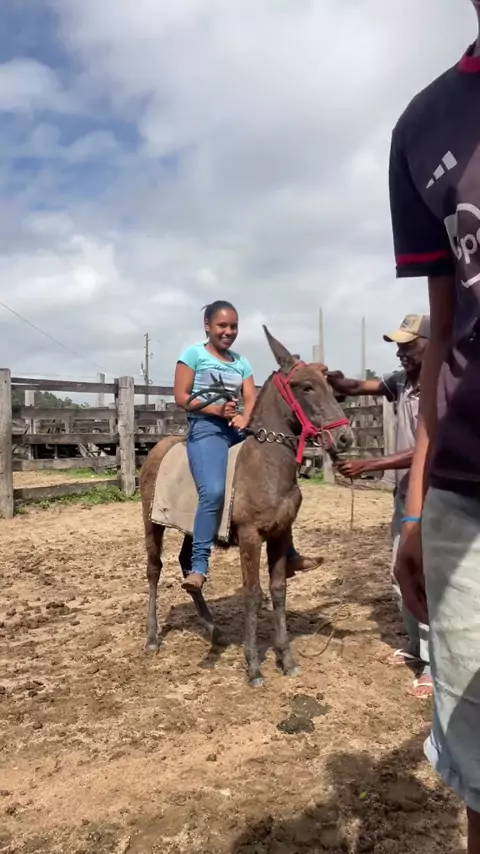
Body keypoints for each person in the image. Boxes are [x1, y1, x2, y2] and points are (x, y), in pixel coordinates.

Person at [389, 7, 480, 849]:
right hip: (463, 483)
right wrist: (416, 507)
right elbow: (444, 337)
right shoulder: (422, 127)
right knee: (215, 469)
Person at [174, 300, 321, 593]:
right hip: (206, 429)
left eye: (233, 326)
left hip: (235, 429)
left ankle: (289, 554)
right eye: (222, 325)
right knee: (213, 490)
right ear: (207, 326)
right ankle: (199, 566)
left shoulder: (242, 362)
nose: (228, 331)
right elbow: (181, 395)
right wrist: (215, 410)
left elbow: (250, 397)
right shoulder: (193, 354)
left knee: (278, 486)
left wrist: (244, 417)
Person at [326, 315, 432, 698]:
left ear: (431, 344)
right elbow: (356, 386)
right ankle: (418, 648)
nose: (401, 352)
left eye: (409, 345)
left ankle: (436, 664)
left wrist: (370, 464)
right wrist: (332, 378)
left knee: (426, 576)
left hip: (434, 495)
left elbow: (427, 449)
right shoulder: (402, 381)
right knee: (399, 571)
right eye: (399, 346)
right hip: (405, 493)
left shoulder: (440, 386)